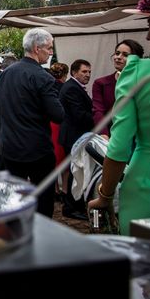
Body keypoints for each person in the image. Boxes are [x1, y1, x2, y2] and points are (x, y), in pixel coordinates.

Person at [88, 0, 150, 235]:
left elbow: (120, 147)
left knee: (147, 267)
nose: (149, 34)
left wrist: (105, 194)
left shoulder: (138, 73)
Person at [0, 28, 65, 217]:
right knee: (43, 201)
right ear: (37, 48)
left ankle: (12, 231)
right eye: (49, 48)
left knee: (12, 198)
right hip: (37, 150)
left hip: (9, 146)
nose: (51, 52)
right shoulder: (43, 77)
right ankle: (40, 237)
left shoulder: (6, 73)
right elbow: (57, 115)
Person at [58, 59, 94, 220]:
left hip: (75, 135)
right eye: (84, 72)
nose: (88, 75)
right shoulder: (71, 88)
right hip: (73, 136)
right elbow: (79, 115)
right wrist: (101, 118)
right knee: (75, 172)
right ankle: (71, 207)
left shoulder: (74, 87)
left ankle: (75, 204)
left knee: (78, 171)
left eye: (89, 72)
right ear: (74, 72)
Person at [92, 39, 144, 137]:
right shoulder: (101, 83)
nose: (118, 57)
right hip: (112, 136)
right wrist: (103, 134)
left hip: (140, 137)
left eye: (125, 55)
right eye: (117, 53)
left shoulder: (143, 82)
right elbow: (98, 111)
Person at [48, 62, 69, 197]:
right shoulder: (65, 88)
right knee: (63, 156)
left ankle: (55, 189)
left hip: (50, 123)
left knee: (53, 156)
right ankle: (65, 189)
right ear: (65, 74)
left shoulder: (48, 86)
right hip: (61, 123)